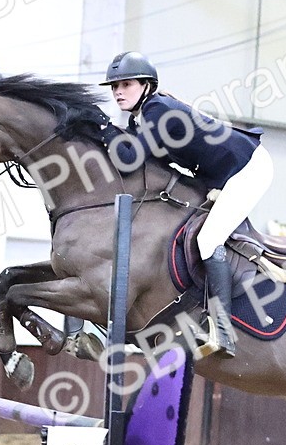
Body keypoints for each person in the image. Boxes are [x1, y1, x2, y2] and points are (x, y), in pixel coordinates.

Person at [101, 51, 272, 358]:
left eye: (125, 84)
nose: (118, 92)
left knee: (209, 239)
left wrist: (102, 129)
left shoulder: (156, 110)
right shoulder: (144, 116)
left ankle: (223, 331)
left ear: (146, 85)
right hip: (222, 172)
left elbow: (129, 160)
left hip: (248, 168)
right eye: (114, 87)